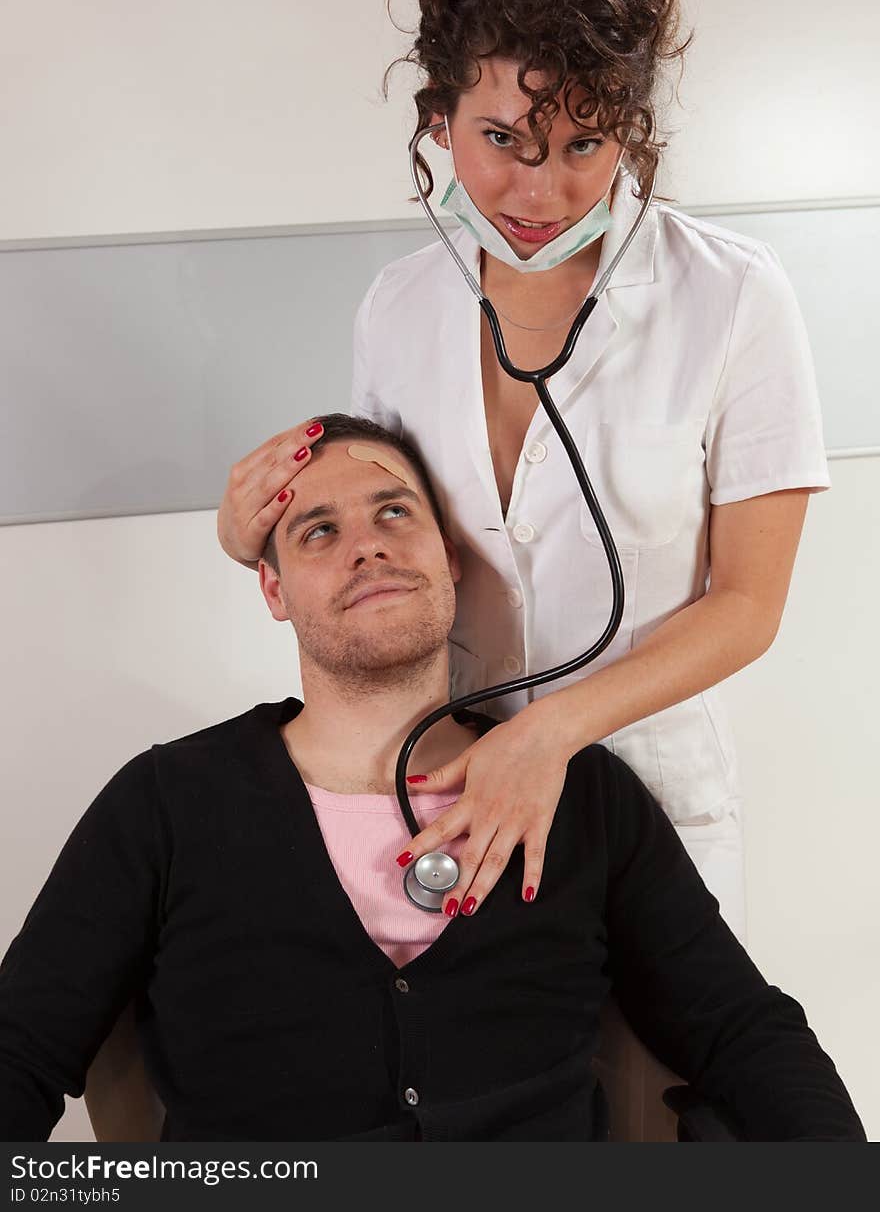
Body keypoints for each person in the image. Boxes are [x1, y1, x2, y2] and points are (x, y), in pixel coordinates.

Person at [216, 0, 828, 942]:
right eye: (500, 140)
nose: (537, 193)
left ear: (628, 130)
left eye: (582, 144)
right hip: (449, 789)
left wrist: (553, 734)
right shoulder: (397, 308)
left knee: (677, 1105)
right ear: (440, 119)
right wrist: (254, 537)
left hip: (650, 796)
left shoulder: (732, 297)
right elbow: (386, 548)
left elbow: (747, 604)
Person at [0, 417, 864, 1141]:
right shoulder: (166, 805)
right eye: (319, 531)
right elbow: (22, 1047)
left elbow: (747, 1037)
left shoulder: (586, 798)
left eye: (393, 513)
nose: (368, 547)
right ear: (273, 590)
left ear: (449, 557)